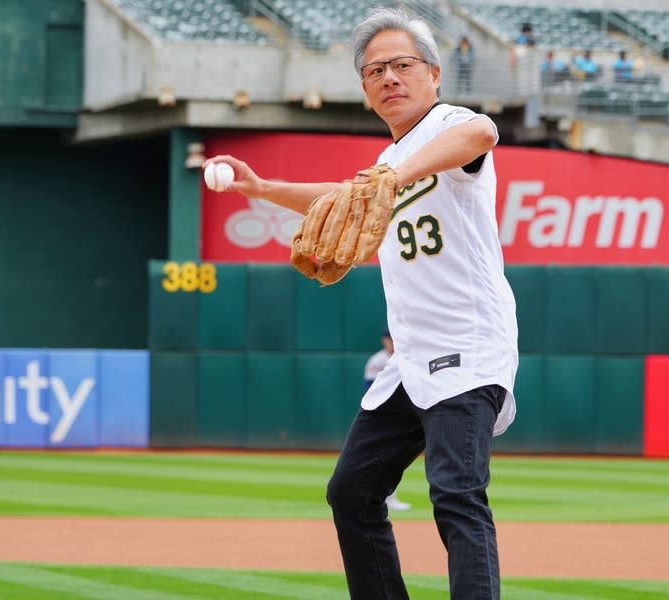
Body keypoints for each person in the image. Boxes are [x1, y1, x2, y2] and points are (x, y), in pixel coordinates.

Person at [203, 7, 519, 599]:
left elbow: (483, 135)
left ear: (433, 74)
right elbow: (340, 200)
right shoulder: (386, 164)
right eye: (375, 71)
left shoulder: (448, 126)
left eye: (403, 65)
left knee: (455, 492)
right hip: (413, 359)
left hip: (469, 347)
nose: (389, 78)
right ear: (365, 89)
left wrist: (392, 180)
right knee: (352, 492)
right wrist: (261, 188)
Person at [363, 328, 411, 512]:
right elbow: (370, 389)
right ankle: (382, 497)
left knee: (394, 458)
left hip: (401, 415)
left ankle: (388, 496)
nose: (392, 342)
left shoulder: (406, 357)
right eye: (390, 339)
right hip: (381, 414)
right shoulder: (378, 360)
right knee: (379, 457)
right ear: (385, 340)